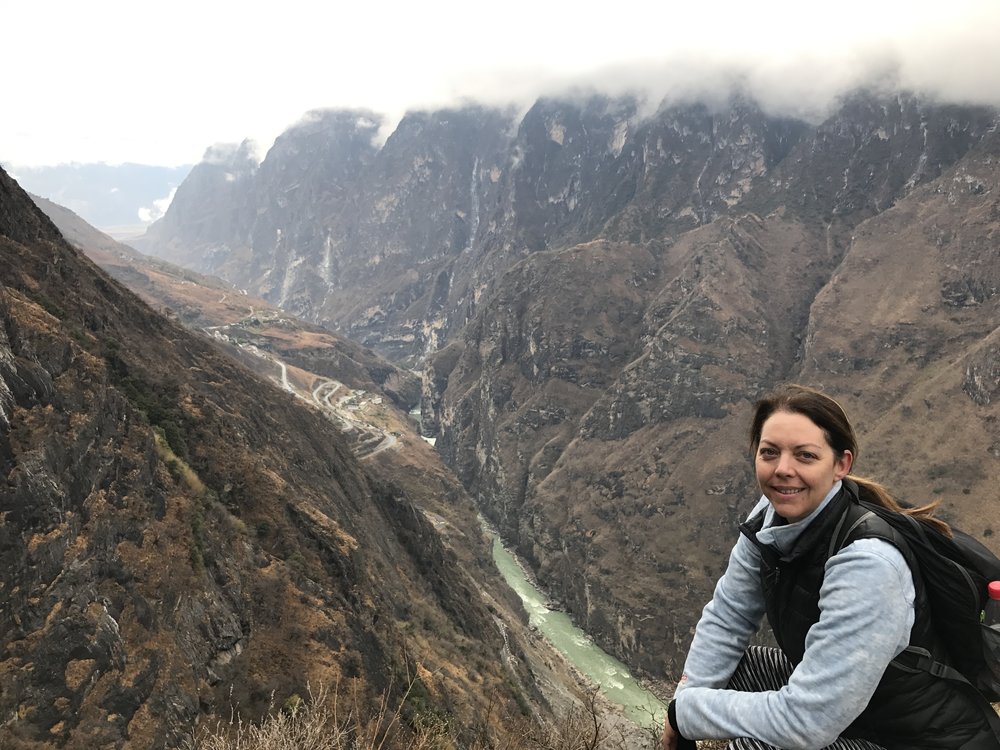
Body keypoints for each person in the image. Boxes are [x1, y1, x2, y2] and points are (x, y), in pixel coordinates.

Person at [661, 384, 1000, 750]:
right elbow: (730, 614)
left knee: (758, 746)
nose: (783, 470)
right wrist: (682, 704)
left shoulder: (869, 566)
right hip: (859, 714)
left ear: (841, 464)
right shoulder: (769, 516)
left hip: (914, 740)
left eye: (805, 456)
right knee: (733, 668)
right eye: (769, 453)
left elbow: (805, 725)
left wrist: (686, 714)